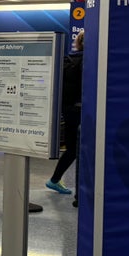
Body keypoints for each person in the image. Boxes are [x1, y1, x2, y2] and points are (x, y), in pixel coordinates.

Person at [46, 30, 84, 195]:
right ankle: (80, 192)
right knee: (81, 149)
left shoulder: (69, 59)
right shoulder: (88, 61)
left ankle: (55, 179)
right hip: (81, 110)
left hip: (68, 109)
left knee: (72, 148)